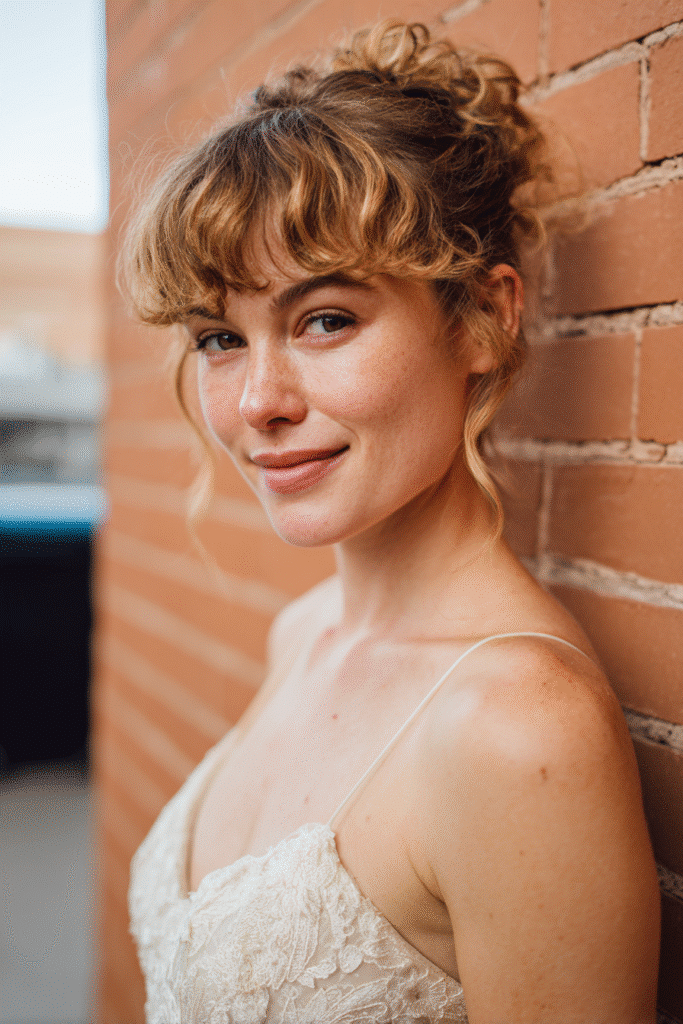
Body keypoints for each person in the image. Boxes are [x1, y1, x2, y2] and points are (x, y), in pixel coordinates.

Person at [123, 20, 660, 1024]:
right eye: (218, 338)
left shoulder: (517, 727)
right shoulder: (299, 634)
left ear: (482, 319)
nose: (258, 402)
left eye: (324, 319)